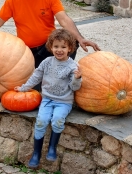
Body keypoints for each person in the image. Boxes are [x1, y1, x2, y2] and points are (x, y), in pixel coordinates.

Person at [14, 29, 82, 168]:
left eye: (63, 47)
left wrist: (77, 78)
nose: (59, 50)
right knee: (41, 121)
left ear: (70, 48)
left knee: (57, 120)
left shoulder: (72, 66)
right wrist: (24, 88)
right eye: (56, 46)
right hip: (47, 99)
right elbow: (36, 76)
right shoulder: (46, 62)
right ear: (51, 47)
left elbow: (75, 88)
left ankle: (52, 148)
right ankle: (36, 153)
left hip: (63, 102)